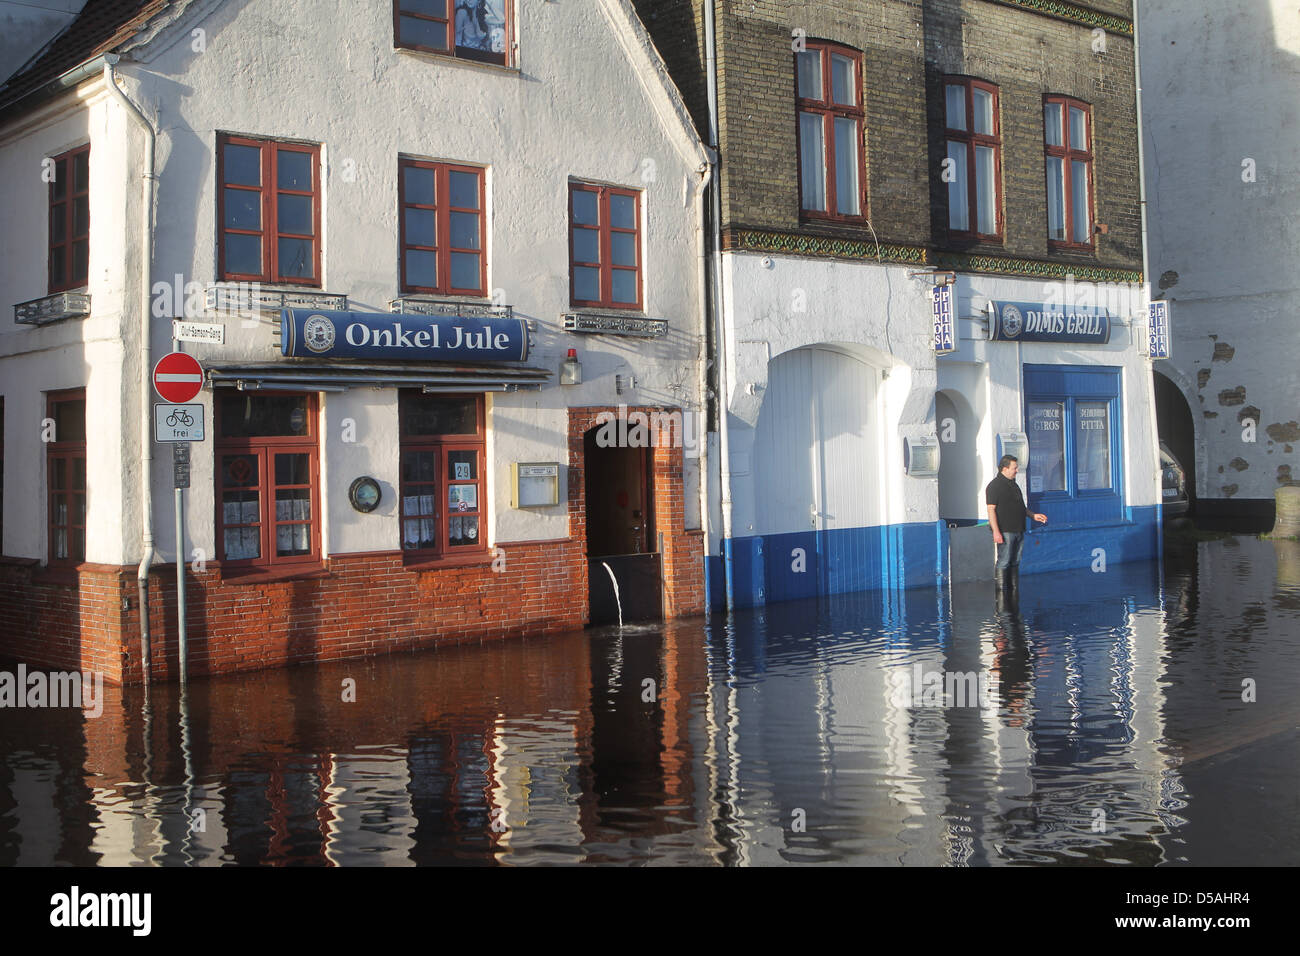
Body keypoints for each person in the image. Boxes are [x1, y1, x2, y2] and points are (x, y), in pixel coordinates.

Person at [985, 455, 1047, 589]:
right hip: (1005, 530)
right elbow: (991, 510)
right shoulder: (994, 486)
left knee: (1015, 561)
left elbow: (1021, 507)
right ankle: (1001, 591)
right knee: (1004, 560)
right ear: (1005, 468)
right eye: (1014, 468)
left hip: (1019, 529)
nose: (1017, 470)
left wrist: (1033, 515)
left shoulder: (1014, 485)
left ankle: (1013, 588)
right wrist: (996, 532)